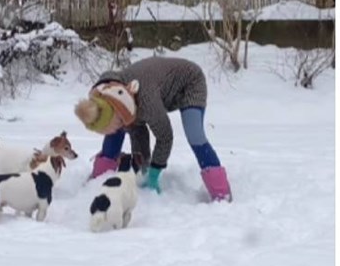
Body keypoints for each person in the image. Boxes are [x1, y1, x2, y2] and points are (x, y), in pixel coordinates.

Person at [74, 56, 232, 202]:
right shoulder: (111, 94)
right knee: (120, 130)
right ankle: (100, 180)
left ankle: (221, 193)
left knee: (194, 135)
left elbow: (165, 137)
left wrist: (154, 172)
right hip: (152, 91)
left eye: (119, 122)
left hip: (189, 83)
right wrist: (143, 169)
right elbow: (137, 132)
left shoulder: (146, 101)